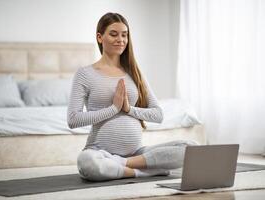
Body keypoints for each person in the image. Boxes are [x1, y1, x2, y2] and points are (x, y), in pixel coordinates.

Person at [67, 12, 196, 181]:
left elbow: (158, 115)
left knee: (192, 148)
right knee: (87, 163)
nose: (120, 39)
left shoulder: (134, 73)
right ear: (100, 37)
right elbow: (73, 120)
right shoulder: (85, 74)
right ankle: (142, 171)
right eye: (113, 34)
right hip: (99, 153)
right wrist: (113, 108)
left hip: (136, 153)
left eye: (124, 35)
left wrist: (128, 109)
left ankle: (122, 164)